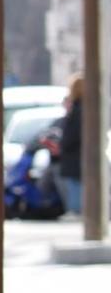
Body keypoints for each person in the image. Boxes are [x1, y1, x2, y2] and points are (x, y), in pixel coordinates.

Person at [59, 73, 86, 220]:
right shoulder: (85, 107)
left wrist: (64, 143)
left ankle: (76, 211)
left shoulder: (78, 109)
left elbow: (72, 133)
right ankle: (76, 210)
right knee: (77, 182)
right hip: (78, 153)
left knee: (75, 183)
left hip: (75, 153)